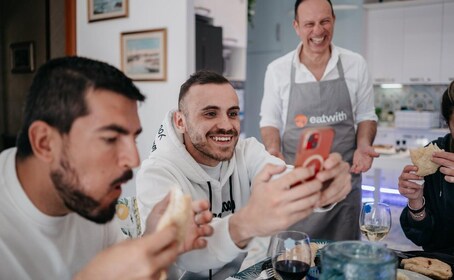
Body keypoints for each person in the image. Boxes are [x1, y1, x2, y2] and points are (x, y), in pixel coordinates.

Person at [0, 56, 213, 280]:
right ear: (45, 142)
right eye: (111, 139)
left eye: (133, 138)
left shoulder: (90, 198)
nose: (134, 160)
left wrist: (152, 240)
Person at [136, 70, 352, 278]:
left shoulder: (247, 151)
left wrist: (320, 185)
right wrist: (245, 223)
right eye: (210, 113)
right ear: (180, 121)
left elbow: (281, 177)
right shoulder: (156, 174)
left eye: (232, 113)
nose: (226, 125)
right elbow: (186, 253)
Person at [259, 0, 378, 240]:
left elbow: (366, 116)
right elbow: (270, 120)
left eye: (324, 21)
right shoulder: (277, 70)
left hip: (344, 184)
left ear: (333, 20)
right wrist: (273, 149)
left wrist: (364, 145)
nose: (318, 31)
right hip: (297, 187)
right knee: (293, 261)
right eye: (309, 24)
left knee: (342, 265)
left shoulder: (355, 64)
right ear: (296, 26)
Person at [398, 81, 454, 254]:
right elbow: (421, 237)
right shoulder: (436, 155)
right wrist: (416, 203)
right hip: (440, 262)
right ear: (448, 123)